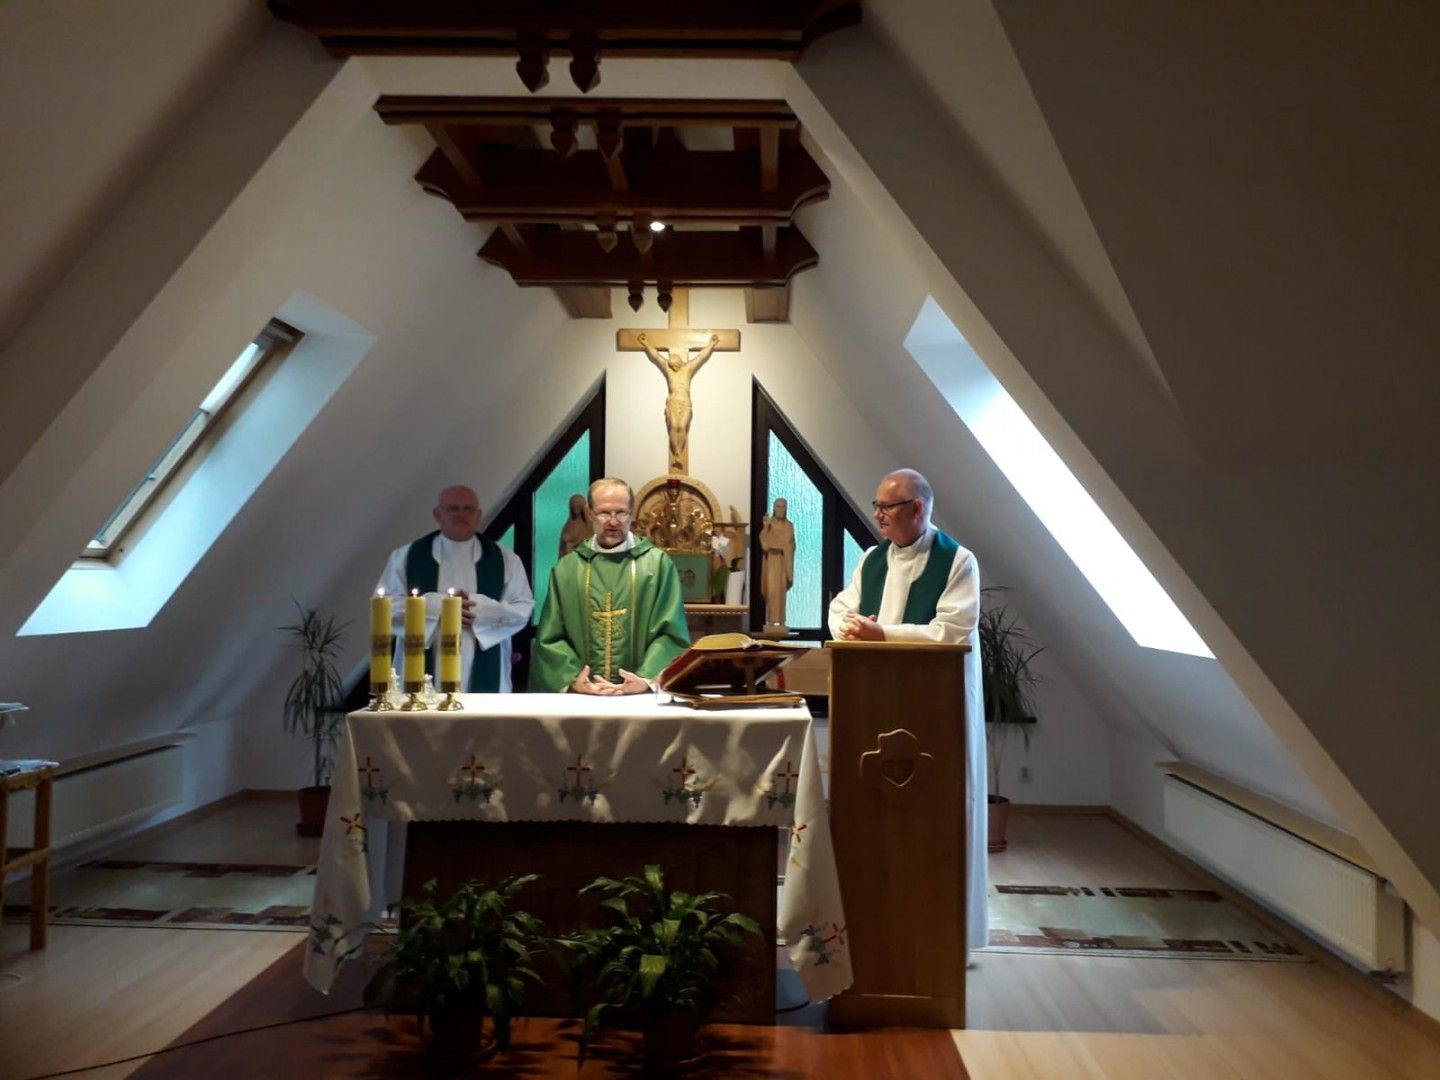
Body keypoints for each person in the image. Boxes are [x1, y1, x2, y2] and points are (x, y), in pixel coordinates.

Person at [827, 468, 987, 960]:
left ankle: (942, 939)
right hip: (874, 702)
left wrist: (884, 635)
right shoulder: (872, 559)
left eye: (887, 507)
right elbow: (841, 608)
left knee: (935, 819)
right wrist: (854, 628)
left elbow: (953, 630)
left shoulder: (957, 561)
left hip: (935, 708)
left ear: (917, 509)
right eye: (877, 506)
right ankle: (878, 928)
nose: (878, 516)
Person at [530, 477, 690, 694]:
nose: (613, 522)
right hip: (583, 697)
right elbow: (551, 636)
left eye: (621, 513)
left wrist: (645, 679)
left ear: (632, 513)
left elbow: (671, 633)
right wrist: (574, 680)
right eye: (604, 513)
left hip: (639, 697)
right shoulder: (567, 569)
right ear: (589, 513)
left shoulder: (657, 565)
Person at [376, 485, 533, 693]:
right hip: (422, 673)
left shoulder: (506, 560)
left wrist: (476, 609)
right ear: (438, 515)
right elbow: (386, 608)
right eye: (453, 508)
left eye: (468, 509)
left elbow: (522, 607)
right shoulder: (406, 556)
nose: (461, 514)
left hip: (486, 676)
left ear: (478, 515)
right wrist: (439, 608)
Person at [637, 331, 721, 475]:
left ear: (679, 362)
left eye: (675, 365)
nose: (674, 368)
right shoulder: (668, 369)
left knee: (682, 427)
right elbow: (656, 356)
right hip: (673, 402)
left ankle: (679, 454)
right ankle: (677, 454)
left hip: (685, 402)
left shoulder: (688, 368)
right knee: (674, 426)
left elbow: (701, 357)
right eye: (672, 366)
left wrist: (711, 344)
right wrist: (646, 343)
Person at [759, 497, 795, 627]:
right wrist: (765, 528)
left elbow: (790, 544)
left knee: (780, 591)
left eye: (783, 507)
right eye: (778, 506)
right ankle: (770, 620)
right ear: (774, 508)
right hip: (772, 562)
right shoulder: (769, 524)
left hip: (783, 562)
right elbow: (764, 543)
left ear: (786, 509)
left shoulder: (789, 526)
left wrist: (781, 546)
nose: (780, 509)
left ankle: (781, 620)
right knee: (771, 590)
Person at [558, 493, 592, 558]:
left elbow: (592, 544)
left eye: (578, 507)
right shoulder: (567, 527)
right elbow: (562, 550)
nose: (575, 510)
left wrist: (574, 544)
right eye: (573, 507)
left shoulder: (590, 526)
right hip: (568, 560)